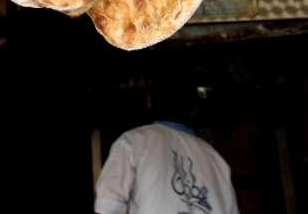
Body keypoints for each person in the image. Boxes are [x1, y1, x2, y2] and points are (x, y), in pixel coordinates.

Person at [94, 85, 239, 214]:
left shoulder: (132, 142)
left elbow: (108, 205)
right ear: (193, 110)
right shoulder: (216, 159)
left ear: (149, 102)